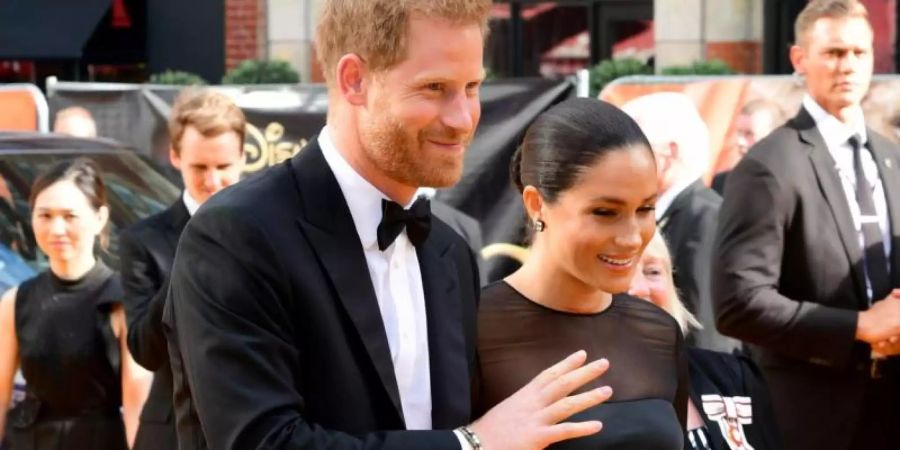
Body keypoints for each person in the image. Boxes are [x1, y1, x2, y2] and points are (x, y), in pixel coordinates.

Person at [162, 1, 612, 449]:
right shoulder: (234, 236)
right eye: (435, 87)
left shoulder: (450, 251)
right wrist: (470, 445)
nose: (462, 119)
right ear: (354, 81)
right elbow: (263, 442)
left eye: (472, 87)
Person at [713, 1, 900, 449]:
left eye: (860, 53)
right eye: (834, 53)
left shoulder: (892, 157)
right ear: (800, 60)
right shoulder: (768, 164)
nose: (849, 66)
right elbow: (738, 304)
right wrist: (858, 326)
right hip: (808, 416)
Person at [476, 97, 687, 449]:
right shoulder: (472, 330)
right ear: (536, 204)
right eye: (605, 212)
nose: (632, 237)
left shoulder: (660, 333)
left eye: (646, 208)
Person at [119, 89, 246, 450]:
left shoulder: (270, 232)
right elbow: (145, 349)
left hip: (256, 425)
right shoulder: (143, 241)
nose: (212, 181)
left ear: (242, 158)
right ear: (175, 157)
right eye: (199, 168)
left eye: (223, 167)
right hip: (171, 432)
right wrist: (194, 254)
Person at [0, 158, 150, 449]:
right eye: (45, 215)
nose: (57, 229)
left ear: (99, 218)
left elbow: (137, 405)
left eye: (70, 216)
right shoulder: (16, 301)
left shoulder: (123, 300)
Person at [629, 231, 782, 450]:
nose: (640, 289)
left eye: (653, 271)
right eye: (622, 273)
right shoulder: (574, 398)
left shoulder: (732, 375)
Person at [621, 92, 737, 353]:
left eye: (632, 149)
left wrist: (702, 387)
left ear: (668, 153)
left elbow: (704, 319)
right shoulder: (666, 212)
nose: (621, 161)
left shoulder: (705, 216)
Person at [711, 99, 785, 195]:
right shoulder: (722, 182)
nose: (740, 142)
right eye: (739, 132)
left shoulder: (785, 191)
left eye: (749, 134)